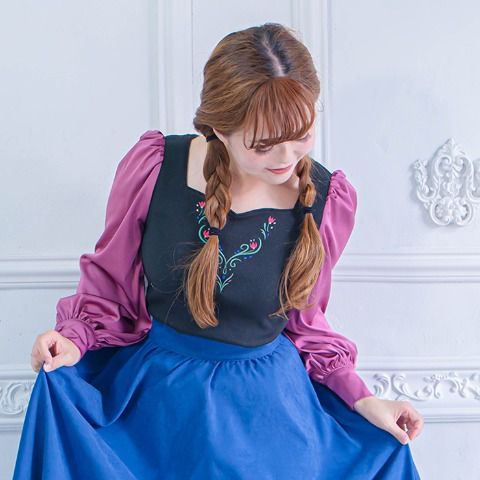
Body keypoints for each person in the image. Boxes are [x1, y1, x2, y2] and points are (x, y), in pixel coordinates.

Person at [13, 22, 423, 479]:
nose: (287, 157)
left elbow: (307, 326)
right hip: (160, 407)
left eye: (302, 135)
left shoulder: (326, 201)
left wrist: (364, 399)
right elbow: (108, 287)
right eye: (265, 144)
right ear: (220, 128)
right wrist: (72, 339)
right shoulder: (154, 168)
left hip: (267, 415)